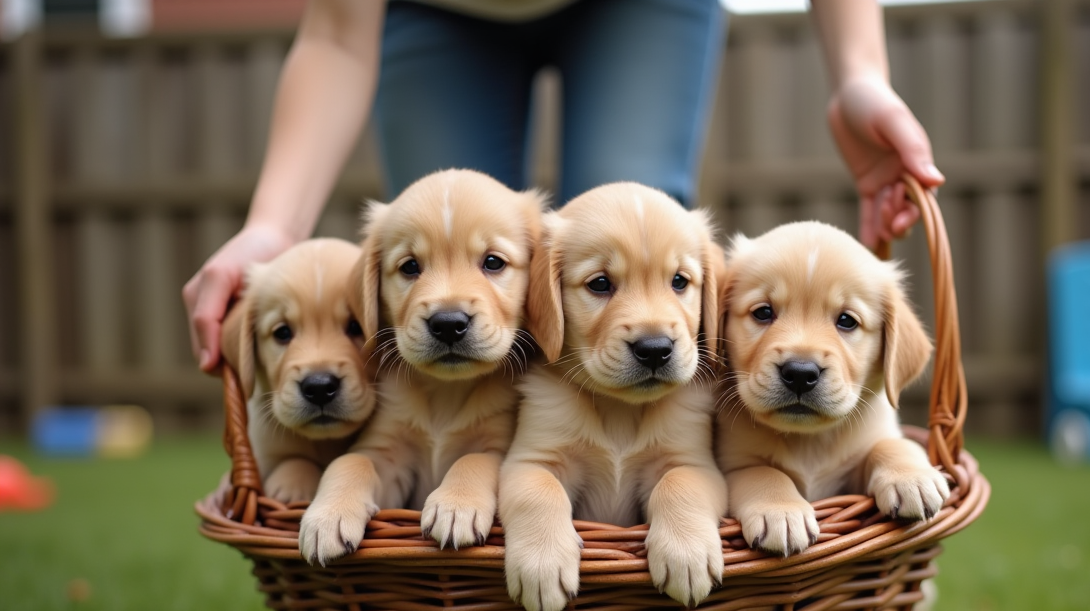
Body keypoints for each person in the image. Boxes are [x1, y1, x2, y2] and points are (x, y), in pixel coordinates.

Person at [183, 0, 944, 373]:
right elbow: (337, 36)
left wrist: (859, 74)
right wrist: (273, 226)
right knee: (439, 283)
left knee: (637, 251)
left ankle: (629, 568)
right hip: (436, 12)